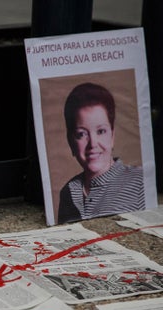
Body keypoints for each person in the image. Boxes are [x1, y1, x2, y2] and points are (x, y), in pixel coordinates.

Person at [57, 82, 145, 223]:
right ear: (70, 141)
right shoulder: (67, 191)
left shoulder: (141, 181)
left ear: (112, 135)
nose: (93, 143)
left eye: (101, 131)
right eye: (81, 134)